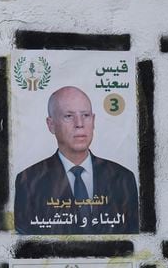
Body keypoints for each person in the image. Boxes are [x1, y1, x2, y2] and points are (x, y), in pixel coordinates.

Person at [14, 86, 139, 234]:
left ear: (93, 121)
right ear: (51, 124)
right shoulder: (28, 181)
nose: (79, 124)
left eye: (85, 115)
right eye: (68, 116)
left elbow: (132, 242)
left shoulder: (123, 178)